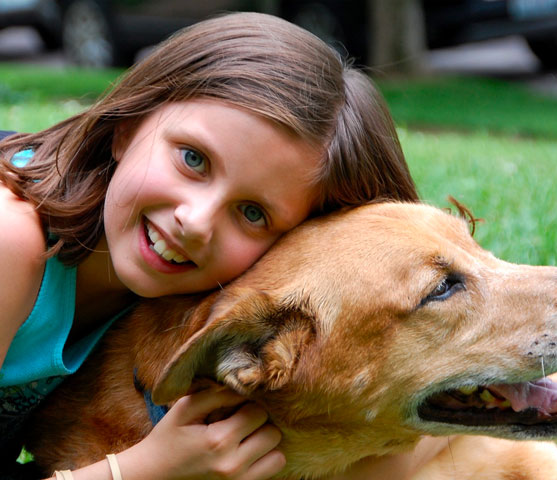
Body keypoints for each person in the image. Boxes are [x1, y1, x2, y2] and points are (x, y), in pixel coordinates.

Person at [0, 11, 419, 480]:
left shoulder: (188, 294)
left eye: (253, 213)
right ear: (128, 125)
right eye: (193, 159)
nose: (195, 223)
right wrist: (140, 470)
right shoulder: (10, 239)